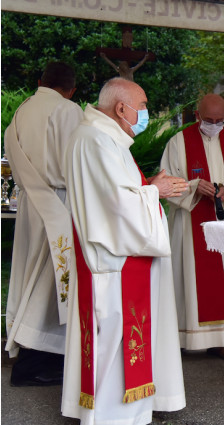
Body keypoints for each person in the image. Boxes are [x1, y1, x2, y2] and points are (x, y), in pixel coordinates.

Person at [61, 77, 187, 424]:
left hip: (112, 263)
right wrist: (154, 192)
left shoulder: (100, 138)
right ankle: (112, 418)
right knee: (116, 349)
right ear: (121, 108)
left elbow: (115, 194)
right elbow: (116, 204)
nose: (144, 112)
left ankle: (118, 415)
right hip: (114, 265)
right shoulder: (97, 140)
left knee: (114, 348)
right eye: (143, 106)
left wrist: (148, 187)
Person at [3, 62, 83, 387]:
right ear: (72, 89)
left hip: (29, 205)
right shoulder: (69, 110)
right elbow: (79, 161)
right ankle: (34, 364)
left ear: (40, 81)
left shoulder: (22, 110)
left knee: (32, 281)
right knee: (54, 286)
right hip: (60, 206)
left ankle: (38, 357)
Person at [160, 93, 224, 360]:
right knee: (188, 278)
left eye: (219, 120)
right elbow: (166, 181)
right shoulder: (178, 142)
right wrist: (192, 186)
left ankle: (221, 340)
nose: (215, 125)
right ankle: (182, 337)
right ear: (197, 116)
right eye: (209, 120)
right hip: (189, 224)